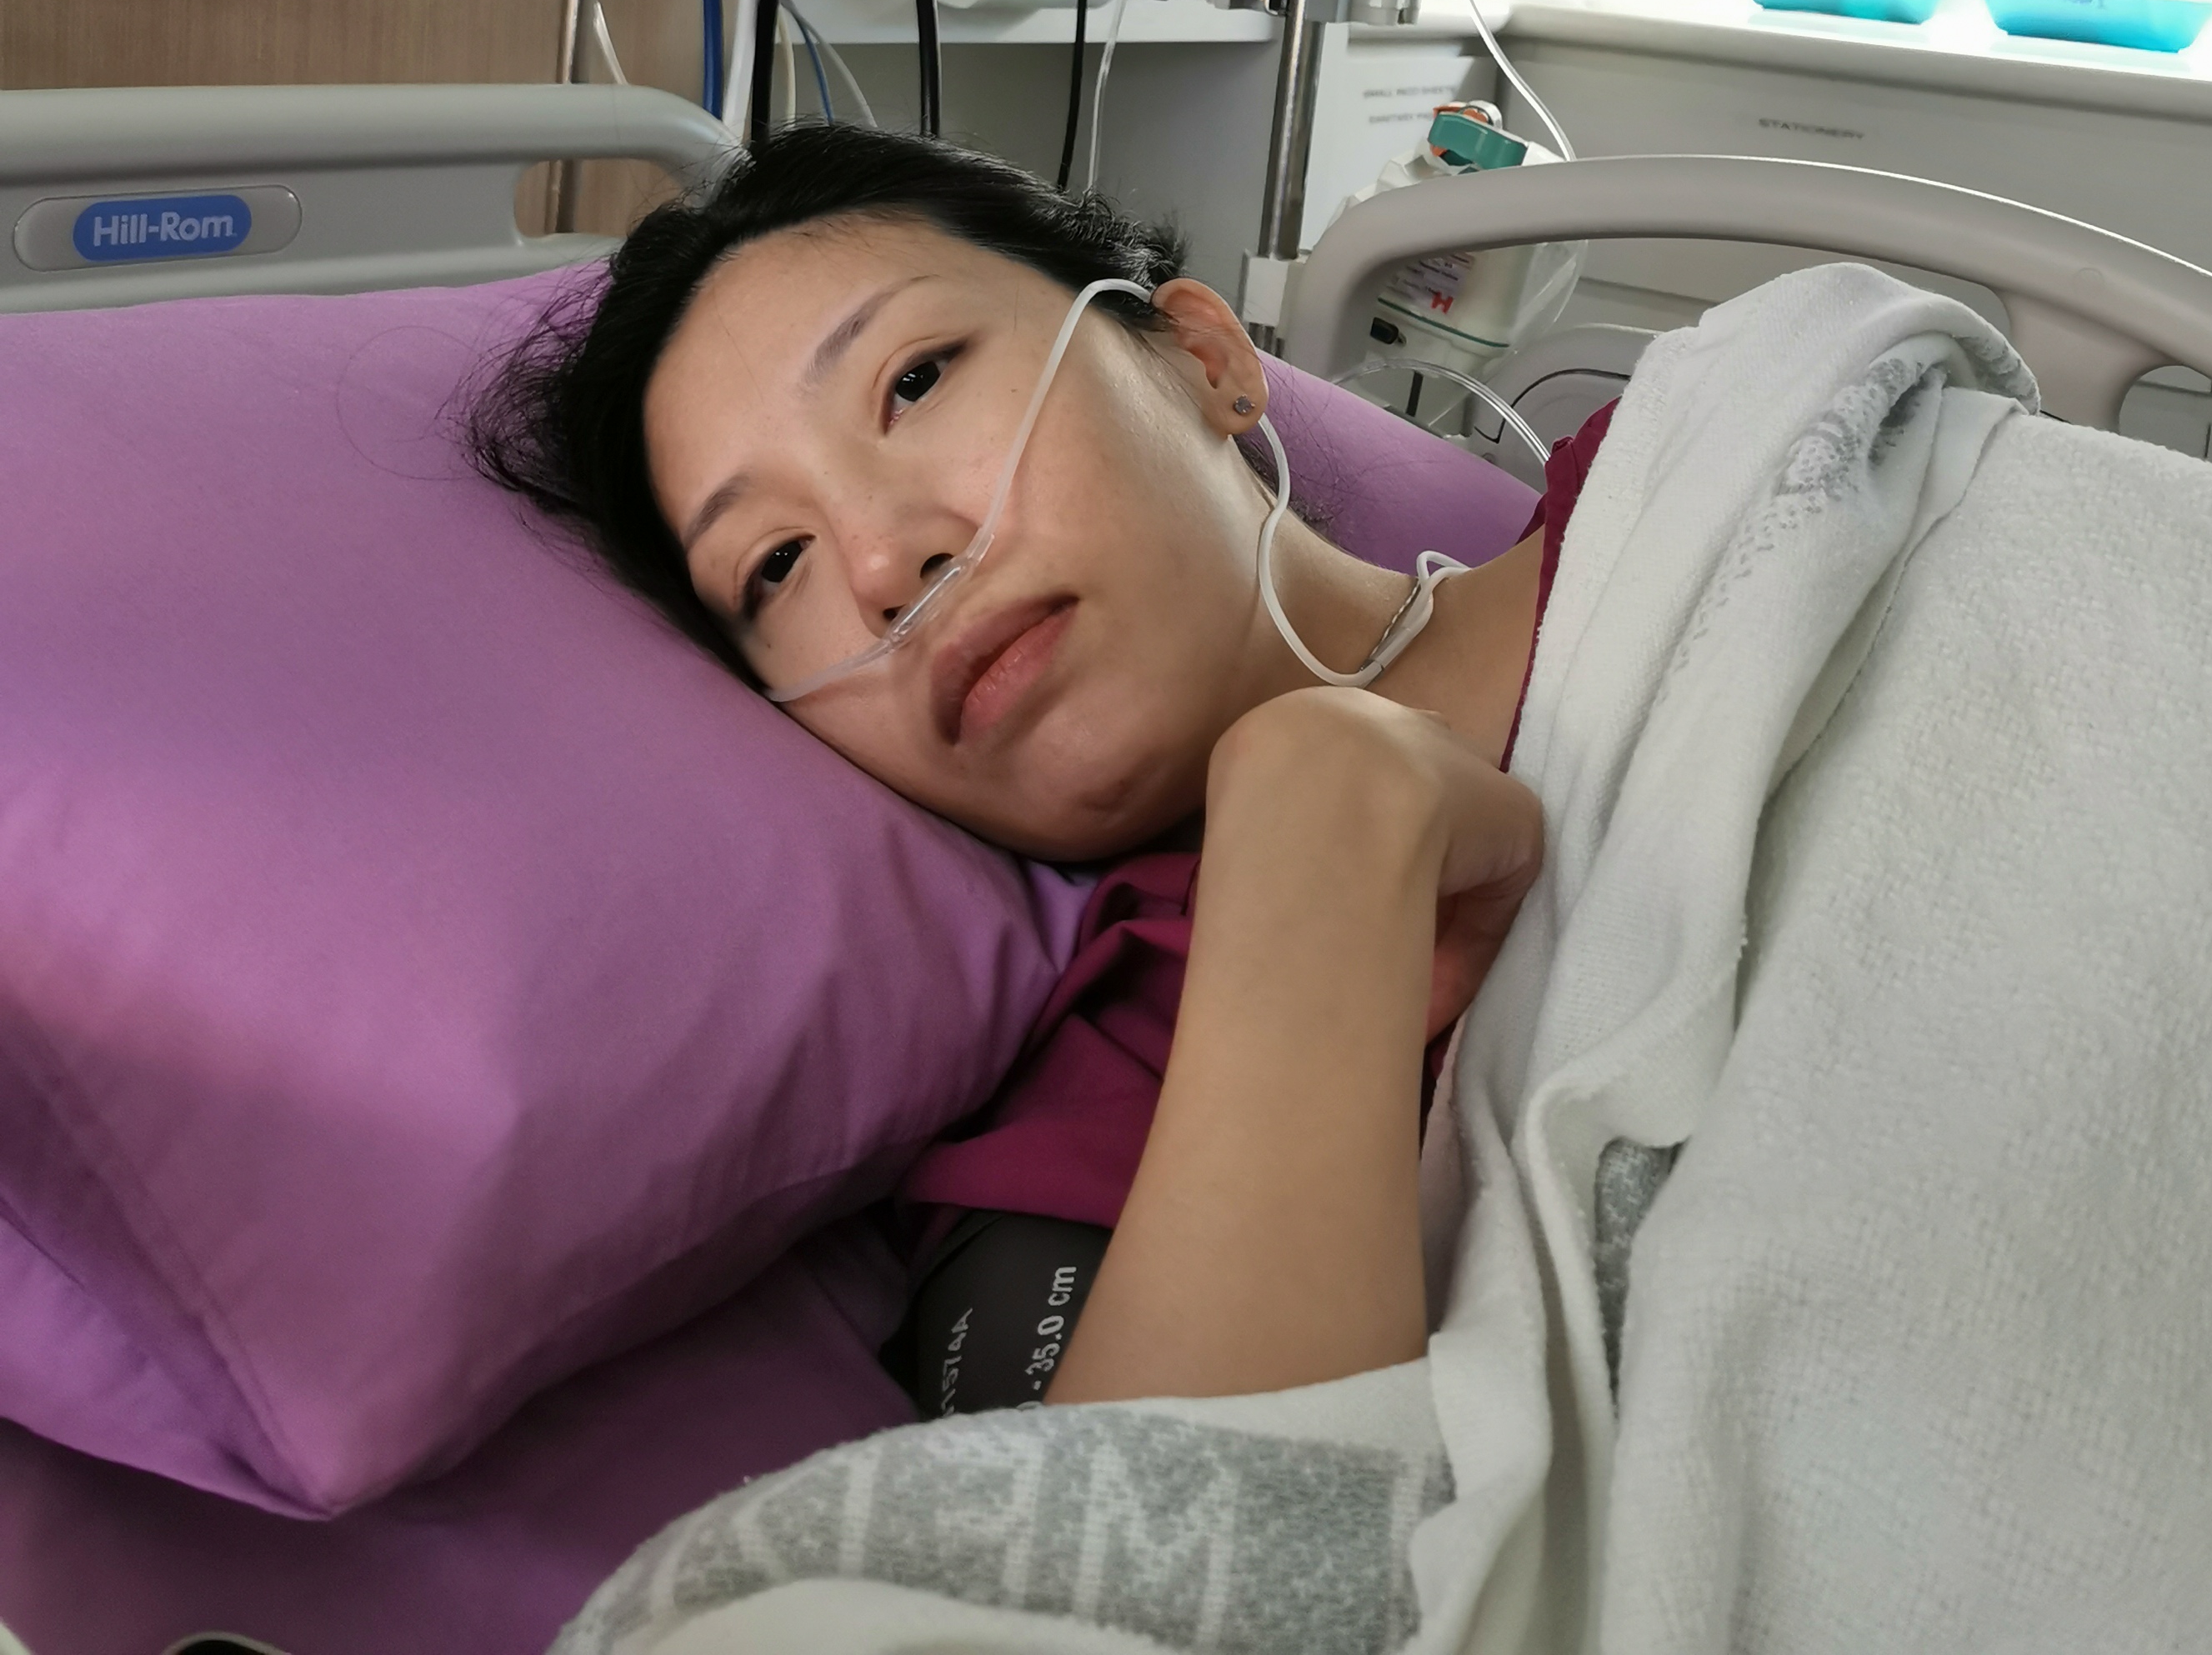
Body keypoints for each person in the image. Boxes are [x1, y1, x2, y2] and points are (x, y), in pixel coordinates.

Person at [471, 126, 1591, 1416]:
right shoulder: (1108, 1100)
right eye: (775, 565)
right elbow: (1140, 1527)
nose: (885, 564)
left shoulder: (1705, 461)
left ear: (1204, 359)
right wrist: (1322, 844)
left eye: (915, 381)